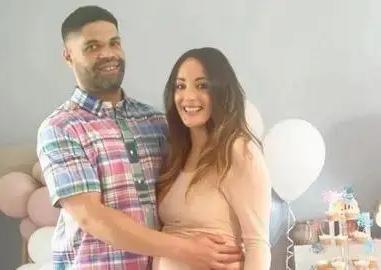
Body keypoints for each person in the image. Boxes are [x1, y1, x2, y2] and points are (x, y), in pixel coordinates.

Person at [36, 5, 244, 270]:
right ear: (68, 56)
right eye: (92, 47)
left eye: (114, 43)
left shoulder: (156, 122)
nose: (107, 54)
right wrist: (189, 249)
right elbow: (91, 217)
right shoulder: (61, 128)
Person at [153, 47, 272, 270]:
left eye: (202, 86)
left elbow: (257, 244)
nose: (188, 96)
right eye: (180, 86)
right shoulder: (177, 153)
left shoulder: (237, 151)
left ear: (221, 92)